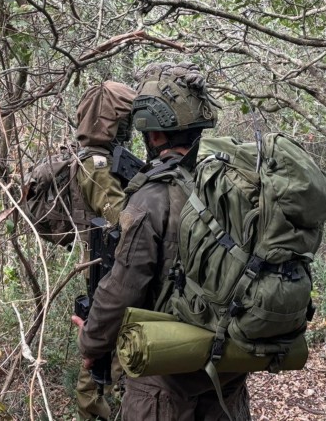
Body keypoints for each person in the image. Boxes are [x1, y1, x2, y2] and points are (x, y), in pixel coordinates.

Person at [72, 63, 251, 420]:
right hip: (228, 372)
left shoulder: (151, 198)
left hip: (165, 384)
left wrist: (91, 343)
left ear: (154, 136)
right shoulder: (236, 187)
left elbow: (122, 288)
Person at [73, 81, 136, 421]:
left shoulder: (107, 159)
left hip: (110, 265)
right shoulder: (95, 164)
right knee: (99, 361)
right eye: (122, 120)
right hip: (106, 268)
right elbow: (122, 218)